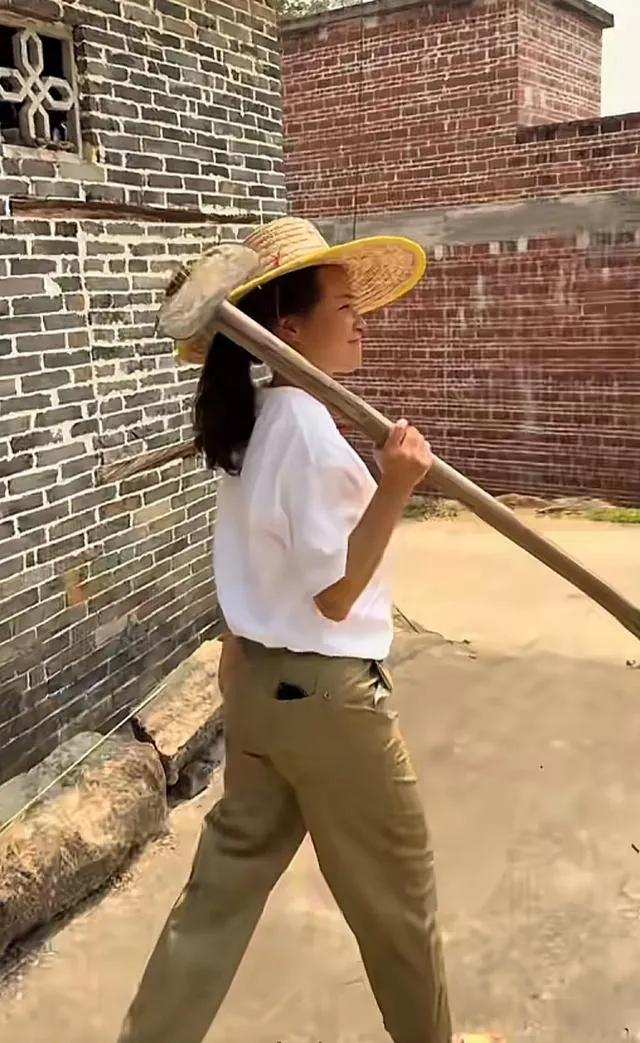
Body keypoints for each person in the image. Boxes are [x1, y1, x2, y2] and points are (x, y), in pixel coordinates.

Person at [117, 217, 452, 1043]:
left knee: (220, 892)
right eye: (343, 305)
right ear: (289, 328)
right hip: (328, 699)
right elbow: (336, 594)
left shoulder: (260, 416)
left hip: (259, 683)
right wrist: (397, 484)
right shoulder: (302, 426)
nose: (361, 319)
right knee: (398, 897)